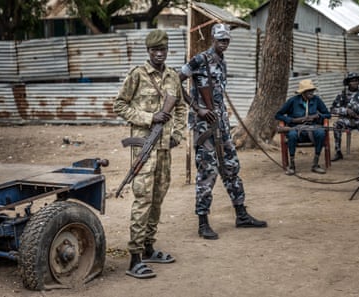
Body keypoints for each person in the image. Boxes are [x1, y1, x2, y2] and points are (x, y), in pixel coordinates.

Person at [179, 23, 267, 240]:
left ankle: (241, 214)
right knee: (207, 172)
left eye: (226, 40)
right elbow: (174, 82)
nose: (224, 43)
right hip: (204, 128)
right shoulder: (200, 60)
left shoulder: (222, 61)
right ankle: (203, 222)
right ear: (213, 39)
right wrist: (197, 108)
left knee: (231, 167)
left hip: (222, 123)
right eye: (220, 40)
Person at [113, 29, 187, 278]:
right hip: (144, 146)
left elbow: (180, 107)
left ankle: (148, 247)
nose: (159, 54)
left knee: (158, 197)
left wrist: (177, 134)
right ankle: (134, 258)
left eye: (162, 50)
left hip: (165, 147)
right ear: (148, 51)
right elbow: (119, 105)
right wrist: (148, 118)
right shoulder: (138, 75)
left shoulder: (173, 76)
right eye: (155, 50)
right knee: (143, 198)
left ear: (167, 50)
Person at [275, 79, 331, 175]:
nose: (311, 93)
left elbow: (327, 114)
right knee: (292, 135)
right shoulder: (292, 101)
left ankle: (315, 164)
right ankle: (292, 166)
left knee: (321, 133)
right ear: (303, 93)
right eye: (308, 91)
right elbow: (278, 115)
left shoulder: (316, 100)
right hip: (296, 128)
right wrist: (293, 120)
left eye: (312, 90)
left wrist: (317, 116)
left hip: (312, 128)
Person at [330, 72, 359, 161]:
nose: (355, 83)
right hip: (347, 120)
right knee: (336, 125)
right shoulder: (343, 94)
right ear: (348, 83)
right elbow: (333, 109)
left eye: (356, 81)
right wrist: (345, 110)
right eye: (352, 81)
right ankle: (338, 152)